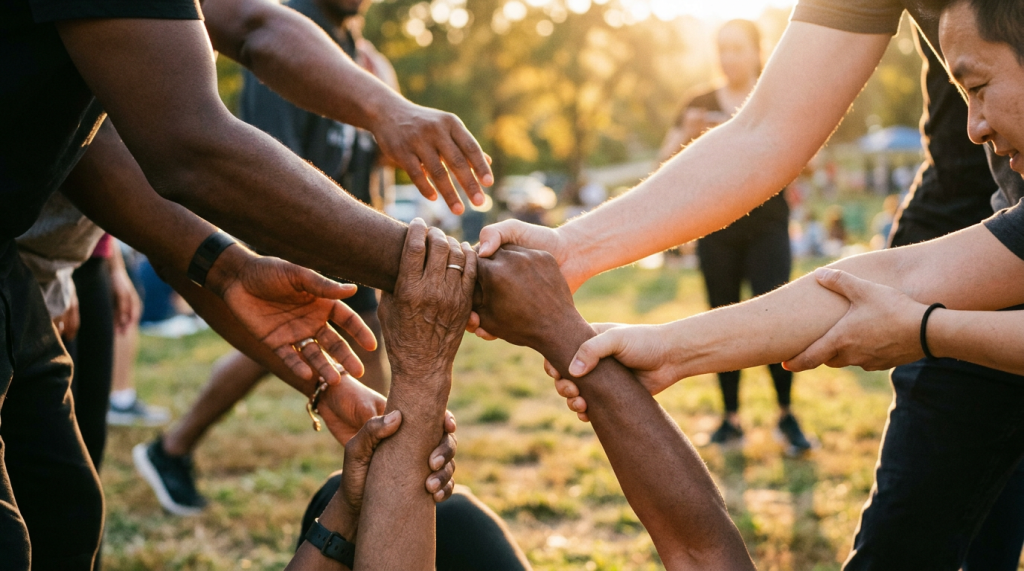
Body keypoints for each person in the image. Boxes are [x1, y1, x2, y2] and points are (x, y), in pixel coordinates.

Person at [474, 0, 1024, 568]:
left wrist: (930, 329)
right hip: (976, 230)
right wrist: (585, 257)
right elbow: (774, 134)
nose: (973, 126)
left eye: (978, 88)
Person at [1, 0, 496, 562]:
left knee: (62, 513)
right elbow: (187, 147)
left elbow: (97, 145)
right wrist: (442, 274)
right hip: (24, 263)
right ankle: (175, 446)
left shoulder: (354, 48)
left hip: (16, 276)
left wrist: (224, 265)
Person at [134, 0, 400, 515]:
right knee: (301, 344)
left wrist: (384, 97)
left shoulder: (355, 51)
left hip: (345, 237)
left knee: (340, 350)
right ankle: (389, 496)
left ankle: (386, 487)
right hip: (304, 234)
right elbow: (271, 153)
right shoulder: (294, 36)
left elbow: (381, 154)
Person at [659, 19, 808, 454]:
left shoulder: (772, 96)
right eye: (722, 49)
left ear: (757, 52)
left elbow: (805, 156)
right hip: (715, 231)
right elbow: (663, 159)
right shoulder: (698, 103)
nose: (728, 58)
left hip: (768, 229)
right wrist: (687, 134)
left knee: (777, 319)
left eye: (737, 49)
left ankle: (785, 414)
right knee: (720, 320)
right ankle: (731, 418)